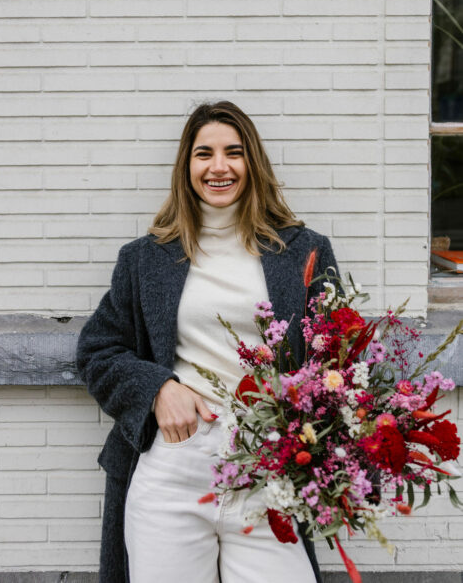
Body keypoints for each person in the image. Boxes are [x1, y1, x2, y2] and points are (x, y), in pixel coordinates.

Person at [76, 100, 339, 583]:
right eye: (204, 154)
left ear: (252, 163)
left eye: (233, 152)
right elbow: (97, 350)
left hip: (267, 473)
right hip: (174, 464)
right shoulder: (144, 259)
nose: (219, 167)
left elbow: (337, 356)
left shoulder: (304, 251)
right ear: (187, 166)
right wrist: (156, 388)